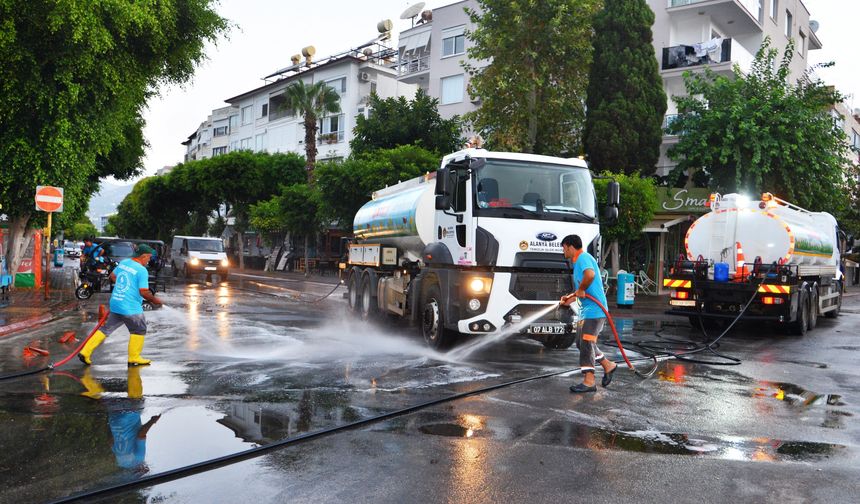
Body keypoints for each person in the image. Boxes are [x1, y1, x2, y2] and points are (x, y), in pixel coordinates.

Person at [78, 244, 163, 366]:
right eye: (148, 258)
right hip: (130, 307)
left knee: (106, 329)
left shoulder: (125, 263)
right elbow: (144, 291)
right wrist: (155, 300)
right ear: (143, 256)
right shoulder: (141, 270)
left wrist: (124, 288)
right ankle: (134, 358)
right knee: (139, 330)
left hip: (116, 303)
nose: (149, 260)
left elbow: (112, 276)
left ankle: (85, 352)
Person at [560, 234, 617, 393]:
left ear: (571, 247)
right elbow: (581, 290)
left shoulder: (583, 257)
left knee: (586, 342)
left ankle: (589, 381)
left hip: (595, 312)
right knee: (582, 343)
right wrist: (570, 298)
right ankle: (608, 365)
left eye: (564, 248)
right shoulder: (579, 262)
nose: (563, 251)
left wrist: (581, 289)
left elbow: (590, 275)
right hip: (587, 312)